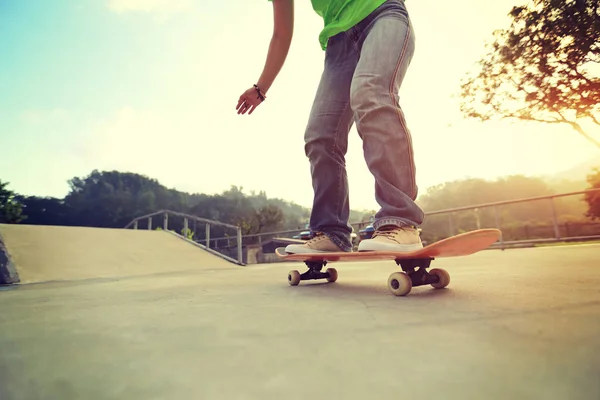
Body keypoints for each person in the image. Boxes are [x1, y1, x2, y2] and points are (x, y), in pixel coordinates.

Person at [237, 0, 424, 254]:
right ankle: (331, 232)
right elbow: (281, 33)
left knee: (370, 95)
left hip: (383, 15)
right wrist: (261, 88)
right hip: (338, 46)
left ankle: (400, 221)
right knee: (320, 136)